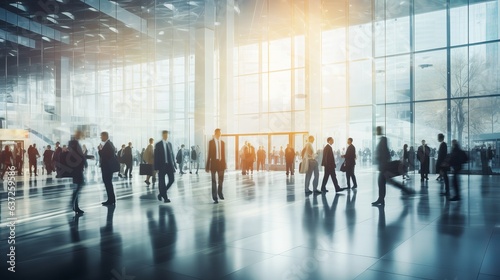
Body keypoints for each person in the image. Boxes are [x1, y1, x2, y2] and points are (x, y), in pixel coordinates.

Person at [372, 126, 414, 206]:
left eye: (377, 130)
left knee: (383, 182)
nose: (376, 132)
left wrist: (383, 164)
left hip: (384, 167)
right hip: (383, 167)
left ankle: (381, 199)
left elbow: (385, 153)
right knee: (385, 182)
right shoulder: (382, 140)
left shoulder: (383, 139)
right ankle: (381, 199)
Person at [66, 130, 86, 215]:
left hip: (75, 168)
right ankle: (72, 203)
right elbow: (77, 155)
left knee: (78, 185)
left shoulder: (73, 143)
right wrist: (84, 156)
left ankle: (75, 206)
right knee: (80, 184)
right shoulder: (74, 143)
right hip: (77, 168)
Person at [154, 130, 177, 203]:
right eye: (165, 135)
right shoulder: (158, 145)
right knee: (162, 182)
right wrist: (156, 168)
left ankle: (161, 194)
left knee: (172, 180)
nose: (166, 136)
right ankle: (165, 197)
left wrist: (174, 164)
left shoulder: (169, 144)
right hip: (161, 166)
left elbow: (172, 155)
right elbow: (156, 157)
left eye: (167, 135)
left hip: (169, 166)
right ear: (162, 135)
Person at [206, 128, 226, 204]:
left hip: (221, 164)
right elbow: (209, 155)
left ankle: (220, 193)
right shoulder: (211, 142)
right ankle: (215, 197)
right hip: (214, 164)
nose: (220, 134)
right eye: (219, 133)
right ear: (215, 133)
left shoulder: (223, 143)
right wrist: (208, 166)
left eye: (220, 133)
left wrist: (225, 164)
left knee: (221, 180)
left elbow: (223, 155)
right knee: (214, 181)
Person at [99, 132, 119, 206]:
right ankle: (111, 199)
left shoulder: (108, 145)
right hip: (108, 168)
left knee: (108, 183)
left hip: (107, 168)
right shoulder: (109, 144)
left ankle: (111, 200)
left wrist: (100, 150)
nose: (101, 138)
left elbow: (105, 157)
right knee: (108, 183)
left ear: (105, 136)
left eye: (101, 136)